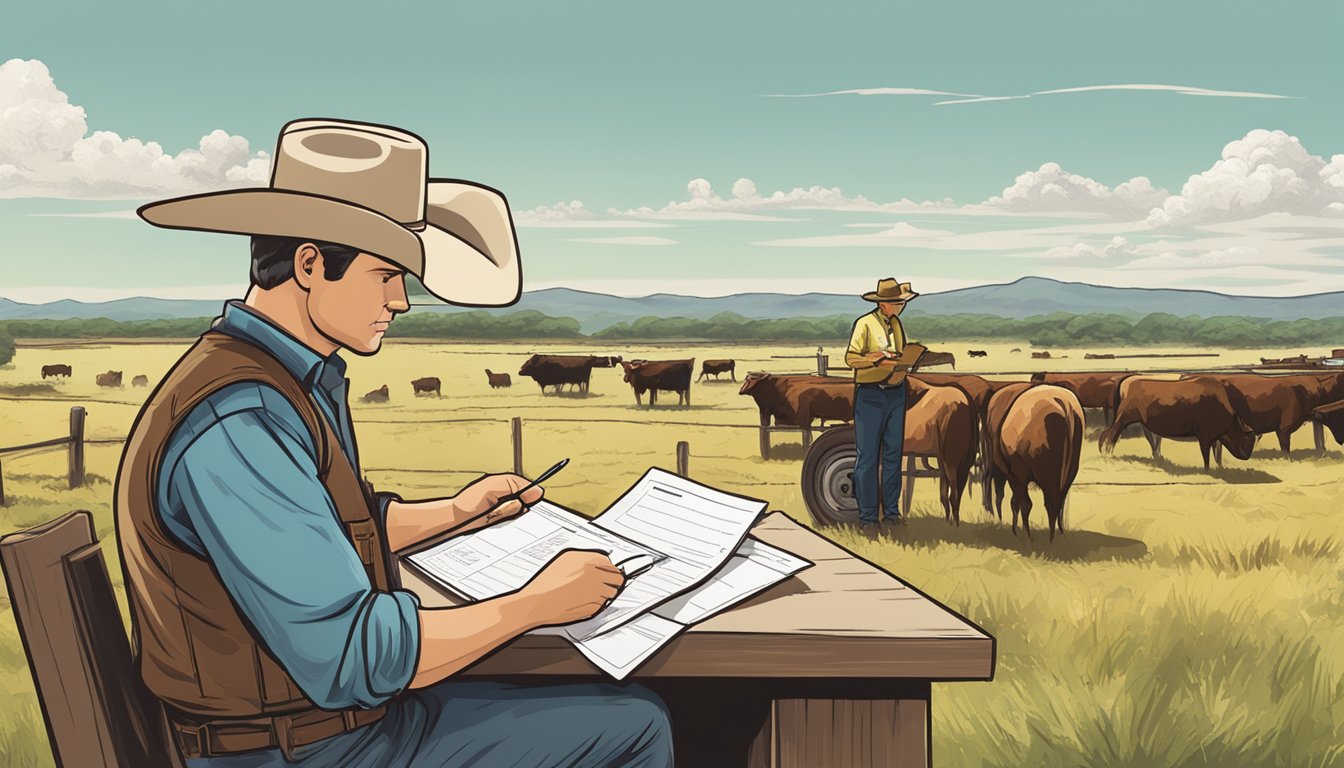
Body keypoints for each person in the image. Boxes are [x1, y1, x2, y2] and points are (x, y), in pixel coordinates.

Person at [113, 118, 672, 767]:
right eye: (386, 275)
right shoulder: (240, 421)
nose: (401, 301)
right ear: (309, 263)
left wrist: (458, 512)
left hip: (316, 729)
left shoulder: (279, 379)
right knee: (637, 724)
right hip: (303, 750)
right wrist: (536, 603)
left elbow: (318, 533)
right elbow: (354, 656)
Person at [844, 278, 925, 532]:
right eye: (897, 303)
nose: (901, 307)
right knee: (868, 458)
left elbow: (899, 355)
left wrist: (903, 360)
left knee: (892, 456)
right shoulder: (864, 324)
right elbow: (851, 358)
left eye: (902, 303)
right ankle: (868, 518)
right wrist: (876, 359)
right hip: (871, 395)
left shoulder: (897, 325)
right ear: (884, 303)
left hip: (895, 392)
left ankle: (891, 513)